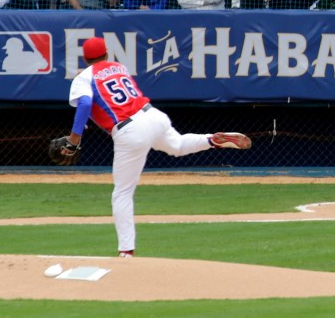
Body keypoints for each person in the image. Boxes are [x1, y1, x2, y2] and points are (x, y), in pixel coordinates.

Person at [63, 36, 251, 257]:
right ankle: (211, 139)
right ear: (106, 53)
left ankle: (126, 251)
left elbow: (85, 103)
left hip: (129, 129)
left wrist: (74, 139)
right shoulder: (119, 67)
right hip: (152, 115)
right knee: (178, 145)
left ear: (85, 58)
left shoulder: (83, 77)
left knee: (122, 193)